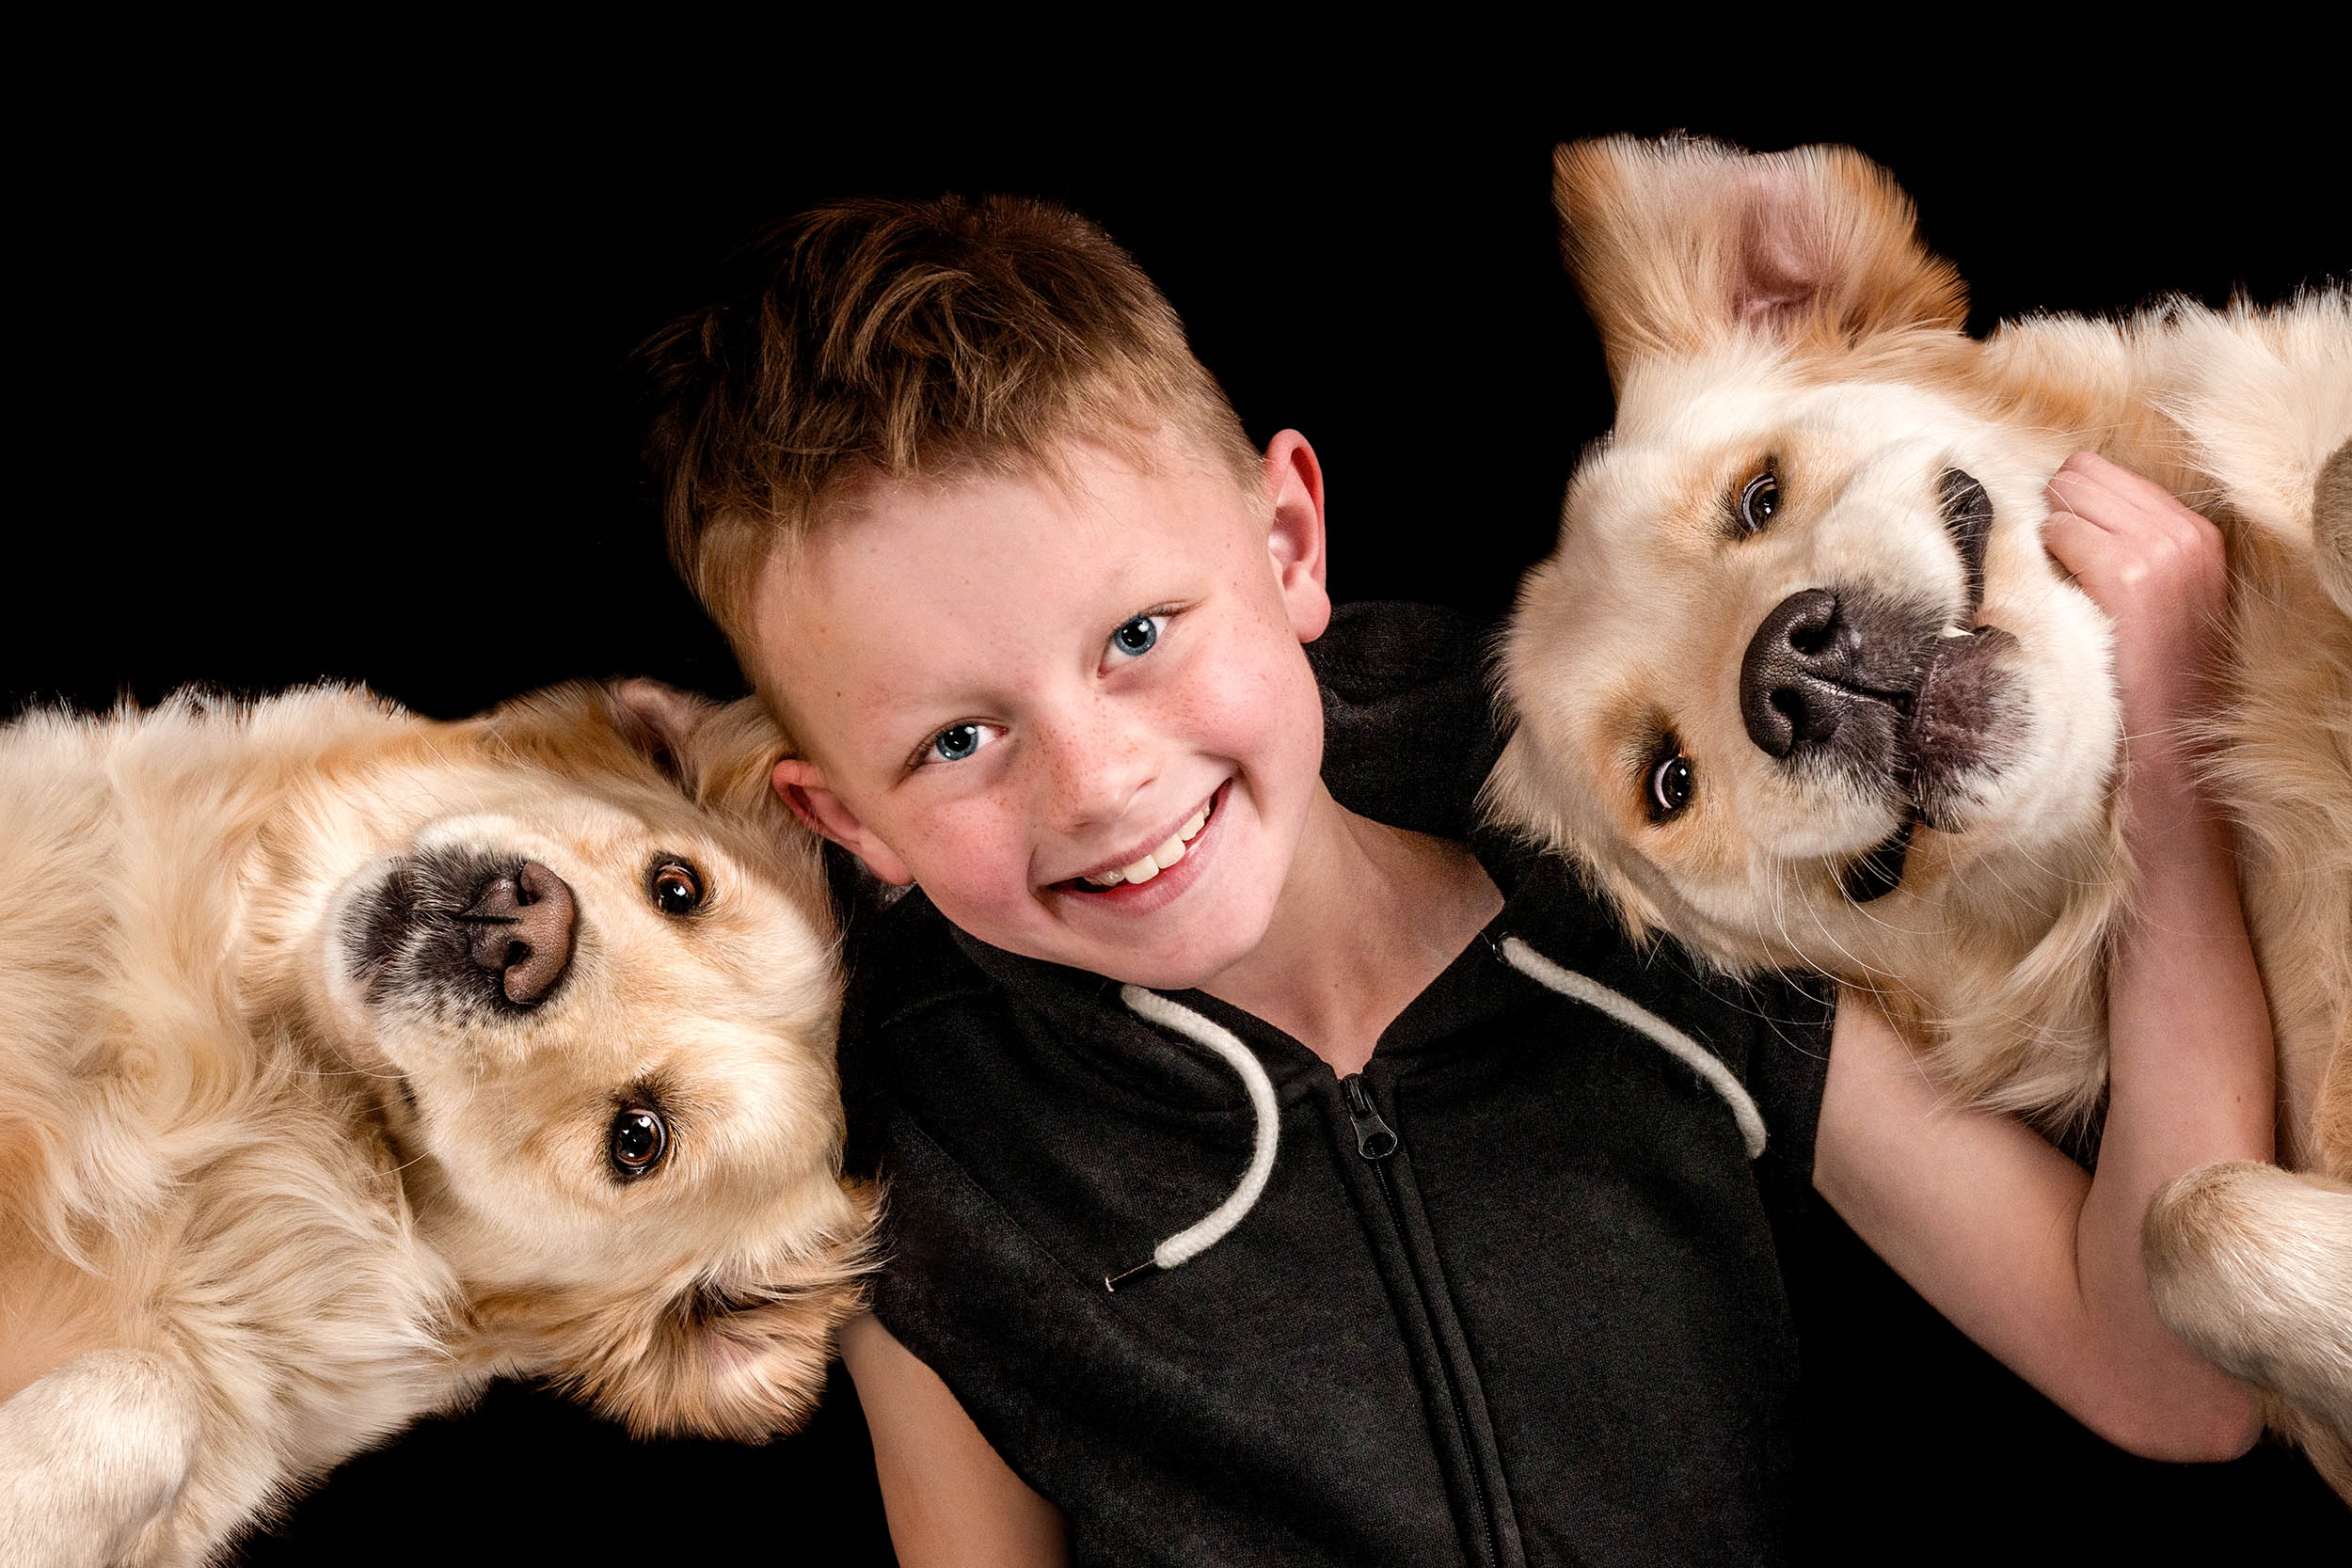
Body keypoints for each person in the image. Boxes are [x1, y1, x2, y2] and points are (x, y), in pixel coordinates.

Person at [637, 194, 2272, 1566]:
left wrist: (2180, 758)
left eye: (1139, 638)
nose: (1098, 783)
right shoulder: (915, 1149)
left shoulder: (1648, 864)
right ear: (843, 818)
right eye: (957, 741)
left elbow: (2167, 1376)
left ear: (1288, 546)